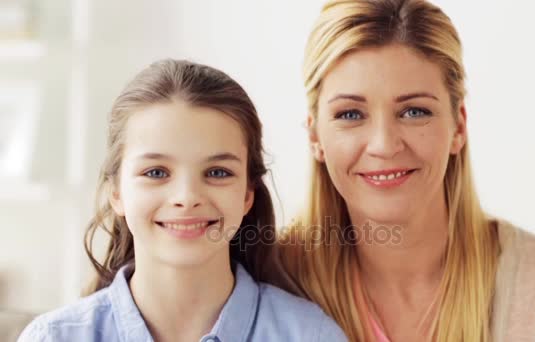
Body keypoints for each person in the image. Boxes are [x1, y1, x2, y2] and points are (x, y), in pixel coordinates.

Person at [260, 1, 535, 341]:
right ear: (315, 135)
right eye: (350, 114)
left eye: (414, 111)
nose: (384, 145)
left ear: (458, 127)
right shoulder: (266, 284)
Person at [18, 59, 347, 342]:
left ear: (248, 194)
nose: (187, 198)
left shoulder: (310, 334)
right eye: (157, 172)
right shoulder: (54, 337)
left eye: (217, 172)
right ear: (116, 192)